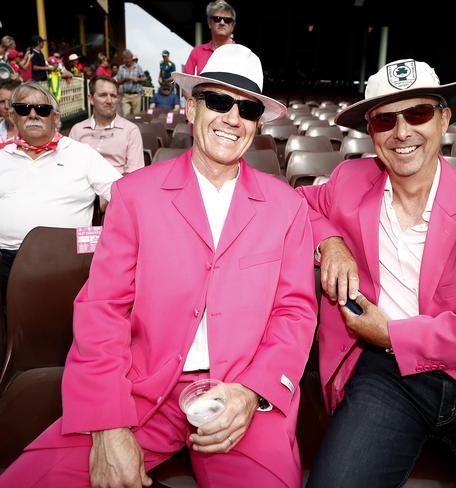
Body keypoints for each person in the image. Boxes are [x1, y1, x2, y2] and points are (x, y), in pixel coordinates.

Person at [0, 44, 317, 488]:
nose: (232, 117)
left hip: (241, 393)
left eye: (246, 109)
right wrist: (108, 425)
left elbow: (295, 313)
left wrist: (253, 391)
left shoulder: (286, 207)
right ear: (190, 105)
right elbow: (103, 309)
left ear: (256, 124)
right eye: (219, 101)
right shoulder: (135, 196)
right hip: (141, 391)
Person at [297, 58, 456, 488]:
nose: (402, 131)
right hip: (385, 378)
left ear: (444, 120)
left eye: (418, 113)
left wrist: (393, 335)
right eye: (386, 120)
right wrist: (330, 242)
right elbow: (300, 203)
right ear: (371, 132)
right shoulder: (349, 180)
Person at [0, 81, 121, 299]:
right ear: (12, 115)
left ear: (55, 118)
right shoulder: (2, 155)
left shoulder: (82, 154)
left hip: (67, 261)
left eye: (43, 109)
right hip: (6, 258)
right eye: (23, 109)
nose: (33, 115)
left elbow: (123, 195)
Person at [69, 75, 145, 175]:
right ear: (91, 99)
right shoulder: (77, 130)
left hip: (116, 187)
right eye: (103, 95)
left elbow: (134, 173)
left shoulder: (130, 131)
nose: (109, 101)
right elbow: (69, 167)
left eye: (113, 96)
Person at [184, 1, 236, 77]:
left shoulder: (242, 54)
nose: (222, 22)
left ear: (232, 26)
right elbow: (185, 84)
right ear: (209, 23)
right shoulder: (197, 52)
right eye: (217, 19)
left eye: (227, 20)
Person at [115, 49, 146, 115]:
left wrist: (138, 79)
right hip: (125, 95)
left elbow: (145, 79)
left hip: (136, 95)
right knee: (126, 115)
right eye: (124, 58)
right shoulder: (121, 68)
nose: (126, 60)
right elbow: (117, 82)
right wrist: (125, 79)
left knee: (136, 116)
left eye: (128, 58)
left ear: (132, 58)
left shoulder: (138, 67)